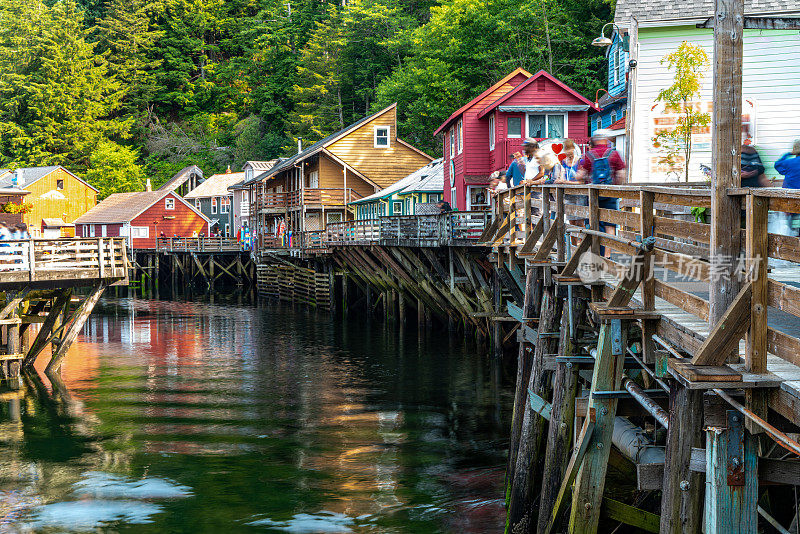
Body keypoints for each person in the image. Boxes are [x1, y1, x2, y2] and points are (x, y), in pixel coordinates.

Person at [574, 130, 627, 257]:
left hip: (594, 194)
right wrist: (615, 186)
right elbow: (621, 174)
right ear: (606, 139)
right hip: (610, 193)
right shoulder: (614, 154)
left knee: (593, 224)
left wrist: (580, 178)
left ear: (595, 140)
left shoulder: (589, 155)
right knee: (610, 225)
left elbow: (580, 175)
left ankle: (595, 253)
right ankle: (607, 256)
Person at [776, 140, 800, 235]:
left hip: (791, 197)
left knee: (789, 218)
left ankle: (790, 237)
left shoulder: (789, 163)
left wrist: (787, 154)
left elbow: (777, 165)